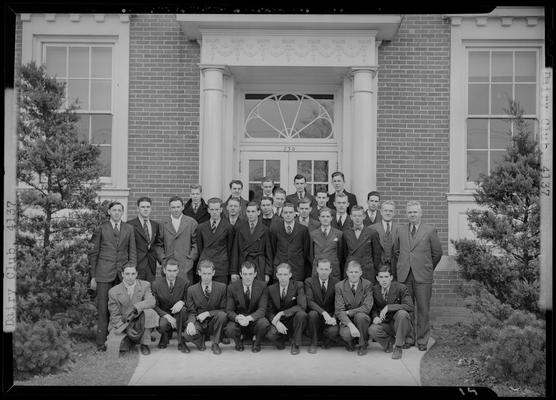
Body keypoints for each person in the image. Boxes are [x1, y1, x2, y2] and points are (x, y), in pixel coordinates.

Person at [393, 200, 442, 351]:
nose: (412, 215)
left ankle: (422, 340)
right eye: (410, 212)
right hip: (405, 276)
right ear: (406, 214)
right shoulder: (401, 230)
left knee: (422, 309)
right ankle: (409, 338)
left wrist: (427, 267)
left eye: (415, 212)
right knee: (407, 309)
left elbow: (437, 253)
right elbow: (396, 251)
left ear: (420, 213)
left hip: (423, 276)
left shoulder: (430, 230)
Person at [89, 201, 137, 352]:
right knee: (103, 308)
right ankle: (101, 342)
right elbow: (93, 253)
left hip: (122, 274)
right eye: (114, 210)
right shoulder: (101, 228)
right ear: (109, 212)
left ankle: (123, 340)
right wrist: (93, 276)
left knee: (124, 308)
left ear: (122, 212)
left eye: (119, 210)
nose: (117, 213)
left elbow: (132, 252)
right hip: (103, 274)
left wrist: (130, 272)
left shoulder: (129, 228)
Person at [107, 265, 158, 356]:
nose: (130, 277)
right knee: (117, 347)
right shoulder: (113, 291)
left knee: (150, 312)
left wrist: (135, 307)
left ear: (137, 274)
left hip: (139, 321)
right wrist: (127, 329)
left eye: (133, 274)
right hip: (122, 324)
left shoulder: (145, 285)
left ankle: (144, 343)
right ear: (122, 274)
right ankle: (131, 340)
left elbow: (151, 301)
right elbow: (114, 316)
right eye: (127, 274)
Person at [368, 264, 414, 360]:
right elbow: (374, 308)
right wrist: (375, 316)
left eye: (386, 277)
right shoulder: (375, 289)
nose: (384, 280)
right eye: (381, 277)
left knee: (402, 313)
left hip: (400, 323)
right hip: (386, 324)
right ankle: (389, 344)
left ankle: (398, 347)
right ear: (377, 278)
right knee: (372, 330)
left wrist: (389, 307)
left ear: (391, 278)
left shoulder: (401, 288)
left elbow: (410, 306)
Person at [224, 261, 271, 353]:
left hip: (254, 320)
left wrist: (249, 318)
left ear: (255, 274)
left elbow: (262, 309)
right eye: (245, 274)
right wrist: (238, 318)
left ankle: (256, 342)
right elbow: (229, 310)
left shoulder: (262, 286)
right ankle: (238, 342)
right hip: (240, 321)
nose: (248, 277)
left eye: (250, 274)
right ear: (240, 274)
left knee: (264, 323)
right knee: (229, 328)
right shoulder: (232, 287)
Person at [183, 260, 228, 355]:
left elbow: (224, 309)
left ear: (213, 273)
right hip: (199, 323)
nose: (206, 276)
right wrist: (191, 323)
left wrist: (208, 313)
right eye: (204, 273)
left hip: (214, 323)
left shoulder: (222, 287)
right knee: (187, 335)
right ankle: (200, 340)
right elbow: (191, 311)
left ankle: (215, 343)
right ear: (199, 273)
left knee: (222, 315)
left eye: (209, 273)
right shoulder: (191, 290)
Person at [266, 263, 307, 355]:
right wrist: (276, 322)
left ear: (290, 275)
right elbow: (268, 310)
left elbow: (302, 306)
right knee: (270, 335)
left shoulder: (298, 285)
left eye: (285, 274)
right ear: (276, 275)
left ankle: (295, 343)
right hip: (279, 321)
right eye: (280, 274)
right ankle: (282, 340)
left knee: (302, 314)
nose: (282, 277)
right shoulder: (271, 289)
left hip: (293, 319)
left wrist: (282, 313)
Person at [334, 260, 373, 356]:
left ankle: (362, 344)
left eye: (356, 272)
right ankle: (350, 342)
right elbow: (339, 310)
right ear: (347, 273)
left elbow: (367, 307)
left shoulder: (367, 284)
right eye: (351, 272)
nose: (353, 274)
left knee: (361, 317)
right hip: (347, 320)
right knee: (346, 334)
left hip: (361, 318)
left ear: (361, 273)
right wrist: (350, 325)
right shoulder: (339, 286)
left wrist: (349, 312)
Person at [151, 260, 190, 352]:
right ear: (164, 270)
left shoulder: (185, 283)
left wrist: (182, 302)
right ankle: (164, 336)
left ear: (178, 271)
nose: (172, 274)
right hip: (164, 314)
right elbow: (154, 305)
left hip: (180, 315)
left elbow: (190, 301)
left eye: (174, 271)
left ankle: (181, 341)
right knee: (162, 325)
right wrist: (167, 316)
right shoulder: (156, 285)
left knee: (183, 310)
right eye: (169, 270)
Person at [304, 258, 340, 354]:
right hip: (316, 315)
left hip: (330, 315)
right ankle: (313, 343)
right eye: (321, 269)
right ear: (317, 269)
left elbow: (338, 303)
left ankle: (327, 340)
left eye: (326, 269)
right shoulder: (309, 281)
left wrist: (334, 317)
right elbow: (310, 302)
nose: (323, 272)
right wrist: (323, 312)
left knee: (333, 331)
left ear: (330, 270)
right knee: (312, 314)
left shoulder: (336, 283)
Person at [159, 196, 198, 284]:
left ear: (183, 207)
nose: (176, 210)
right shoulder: (163, 224)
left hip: (185, 265)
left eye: (178, 207)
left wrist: (190, 259)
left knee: (185, 291)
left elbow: (196, 243)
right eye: (173, 207)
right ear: (169, 208)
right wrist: (163, 259)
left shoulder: (191, 222)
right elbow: (159, 244)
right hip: (168, 265)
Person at [196, 198, 235, 284]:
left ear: (221, 210)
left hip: (221, 266)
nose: (214, 212)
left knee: (220, 293)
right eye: (212, 209)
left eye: (217, 209)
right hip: (205, 265)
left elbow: (230, 248)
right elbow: (200, 247)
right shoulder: (201, 227)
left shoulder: (228, 227)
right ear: (208, 210)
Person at [269, 202, 311, 282]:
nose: (288, 215)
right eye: (286, 212)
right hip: (280, 268)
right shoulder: (275, 229)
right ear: (282, 214)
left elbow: (306, 251)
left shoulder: (303, 229)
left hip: (297, 270)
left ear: (295, 214)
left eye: (290, 212)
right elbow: (273, 248)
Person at [232, 202, 273, 283]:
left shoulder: (265, 229)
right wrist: (234, 271)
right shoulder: (240, 228)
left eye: (253, 211)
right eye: (248, 211)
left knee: (258, 290)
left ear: (258, 212)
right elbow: (235, 251)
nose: (250, 214)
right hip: (244, 262)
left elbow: (269, 253)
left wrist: (267, 273)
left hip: (259, 265)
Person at [342, 205, 382, 284]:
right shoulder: (346, 234)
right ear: (351, 217)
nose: (357, 218)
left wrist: (375, 271)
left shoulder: (372, 233)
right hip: (351, 270)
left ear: (364, 216)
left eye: (359, 216)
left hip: (367, 271)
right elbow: (343, 255)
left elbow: (377, 256)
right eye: (355, 216)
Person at [127, 196, 164, 283]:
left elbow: (156, 244)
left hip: (151, 265)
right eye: (143, 207)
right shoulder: (130, 225)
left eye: (148, 207)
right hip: (136, 265)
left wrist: (161, 260)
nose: (145, 209)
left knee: (150, 292)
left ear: (151, 208)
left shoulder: (155, 225)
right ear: (138, 208)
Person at [309, 207, 343, 280]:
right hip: (318, 267)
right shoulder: (313, 234)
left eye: (327, 216)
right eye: (323, 216)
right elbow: (310, 254)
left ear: (331, 218)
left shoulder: (339, 233)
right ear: (319, 218)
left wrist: (333, 261)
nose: (325, 219)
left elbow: (340, 253)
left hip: (333, 267)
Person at [370, 200, 399, 268]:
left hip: (395, 266)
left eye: (390, 211)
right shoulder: (372, 229)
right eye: (385, 210)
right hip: (377, 266)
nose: (388, 213)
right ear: (381, 212)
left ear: (394, 213)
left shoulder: (400, 229)